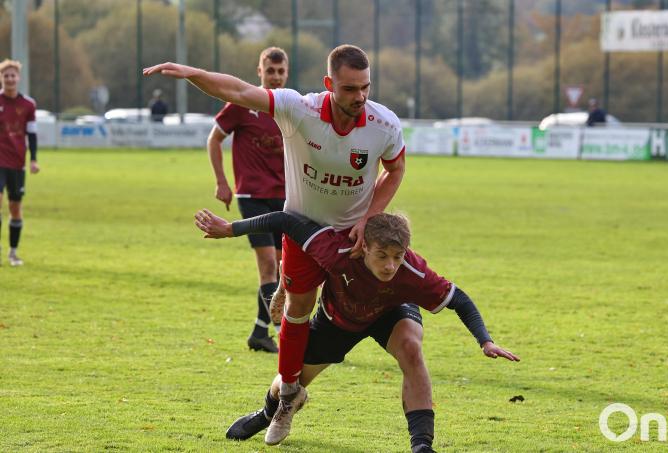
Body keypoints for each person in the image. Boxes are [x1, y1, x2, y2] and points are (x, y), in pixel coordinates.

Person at [144, 44, 406, 432]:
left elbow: (396, 168)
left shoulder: (383, 124)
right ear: (329, 83)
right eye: (350, 89)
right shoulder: (299, 109)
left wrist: (369, 217)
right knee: (297, 312)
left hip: (353, 242)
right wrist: (190, 72)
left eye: (365, 87)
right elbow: (237, 91)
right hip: (302, 231)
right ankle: (285, 401)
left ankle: (288, 397)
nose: (361, 97)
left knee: (359, 325)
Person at [194, 209, 519, 451]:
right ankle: (267, 413)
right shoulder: (336, 251)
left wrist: (485, 341)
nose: (390, 265)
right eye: (382, 256)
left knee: (411, 347)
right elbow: (285, 220)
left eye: (397, 256)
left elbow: (458, 298)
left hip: (391, 310)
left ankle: (422, 445)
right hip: (339, 319)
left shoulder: (411, 272)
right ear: (364, 248)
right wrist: (231, 229)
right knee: (290, 383)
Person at [206, 47, 290, 353]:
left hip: (285, 198)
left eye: (281, 72)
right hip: (252, 195)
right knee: (268, 266)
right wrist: (221, 181)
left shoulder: (289, 107)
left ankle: (259, 332)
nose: (276, 77)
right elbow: (214, 139)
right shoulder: (243, 104)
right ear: (260, 72)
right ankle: (283, 331)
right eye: (271, 71)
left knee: (283, 270)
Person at [0, 59, 39, 267]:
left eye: (12, 75)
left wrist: (33, 160)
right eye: (6, 75)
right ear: (1, 79)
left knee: (15, 208)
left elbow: (32, 135)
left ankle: (13, 252)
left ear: (18, 78)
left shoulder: (28, 105)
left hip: (17, 162)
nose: (9, 79)